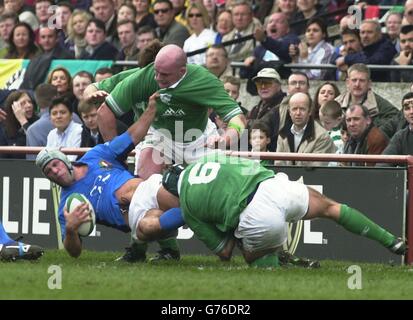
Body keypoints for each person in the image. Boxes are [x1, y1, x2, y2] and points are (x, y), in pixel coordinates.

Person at [157, 153, 407, 268]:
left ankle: (283, 260)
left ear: (173, 190)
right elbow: (250, 165)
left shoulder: (187, 204)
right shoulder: (211, 158)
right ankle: (390, 240)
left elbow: (224, 252)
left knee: (249, 254)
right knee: (332, 208)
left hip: (255, 216)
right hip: (273, 185)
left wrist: (231, 233)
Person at [35, 93, 181, 260]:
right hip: (137, 219)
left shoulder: (96, 155)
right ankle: (164, 249)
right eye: (48, 172)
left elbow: (131, 137)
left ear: (64, 160)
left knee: (180, 201)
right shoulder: (67, 206)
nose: (54, 171)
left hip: (147, 191)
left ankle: (150, 248)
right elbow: (74, 252)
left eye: (55, 164)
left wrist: (151, 110)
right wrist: (70, 230)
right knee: (149, 227)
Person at [95, 44, 246, 179]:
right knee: (145, 182)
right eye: (156, 71)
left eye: (165, 74)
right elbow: (104, 112)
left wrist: (225, 138)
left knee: (214, 185)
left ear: (182, 71)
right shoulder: (145, 77)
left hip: (199, 138)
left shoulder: (204, 81)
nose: (158, 78)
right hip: (160, 133)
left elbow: (238, 119)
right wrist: (115, 156)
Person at [275, 92, 336, 167]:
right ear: (289, 112)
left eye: (302, 109)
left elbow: (316, 169)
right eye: (294, 109)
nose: (298, 113)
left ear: (309, 111)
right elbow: (278, 165)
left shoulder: (322, 136)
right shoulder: (282, 134)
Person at [379, 92, 413, 164]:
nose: (411, 111)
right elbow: (383, 164)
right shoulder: (400, 137)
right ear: (403, 114)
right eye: (407, 108)